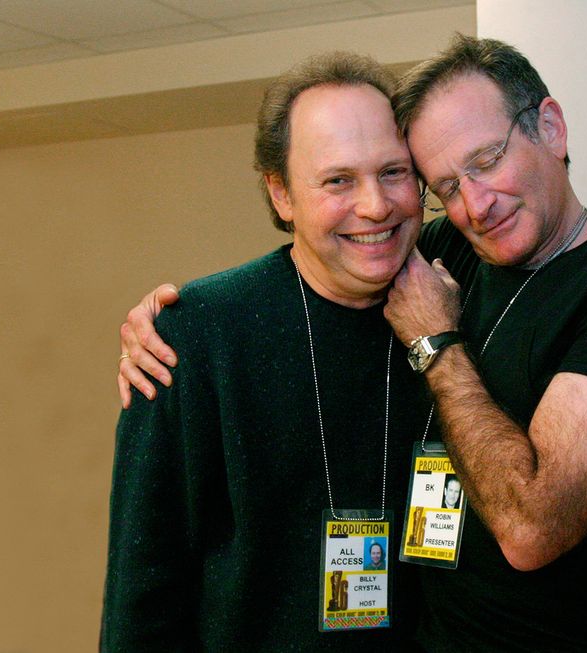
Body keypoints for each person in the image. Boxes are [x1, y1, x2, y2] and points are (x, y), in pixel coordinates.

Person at [118, 35, 587, 652]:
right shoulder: (452, 251)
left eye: (486, 161)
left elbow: (530, 527)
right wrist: (177, 319)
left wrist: (436, 342)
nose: (477, 205)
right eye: (446, 185)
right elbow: (340, 246)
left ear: (551, 127)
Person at [102, 52, 429, 652]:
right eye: (338, 180)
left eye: (394, 172)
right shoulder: (198, 335)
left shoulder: (458, 302)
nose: (376, 206)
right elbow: (144, 584)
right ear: (281, 194)